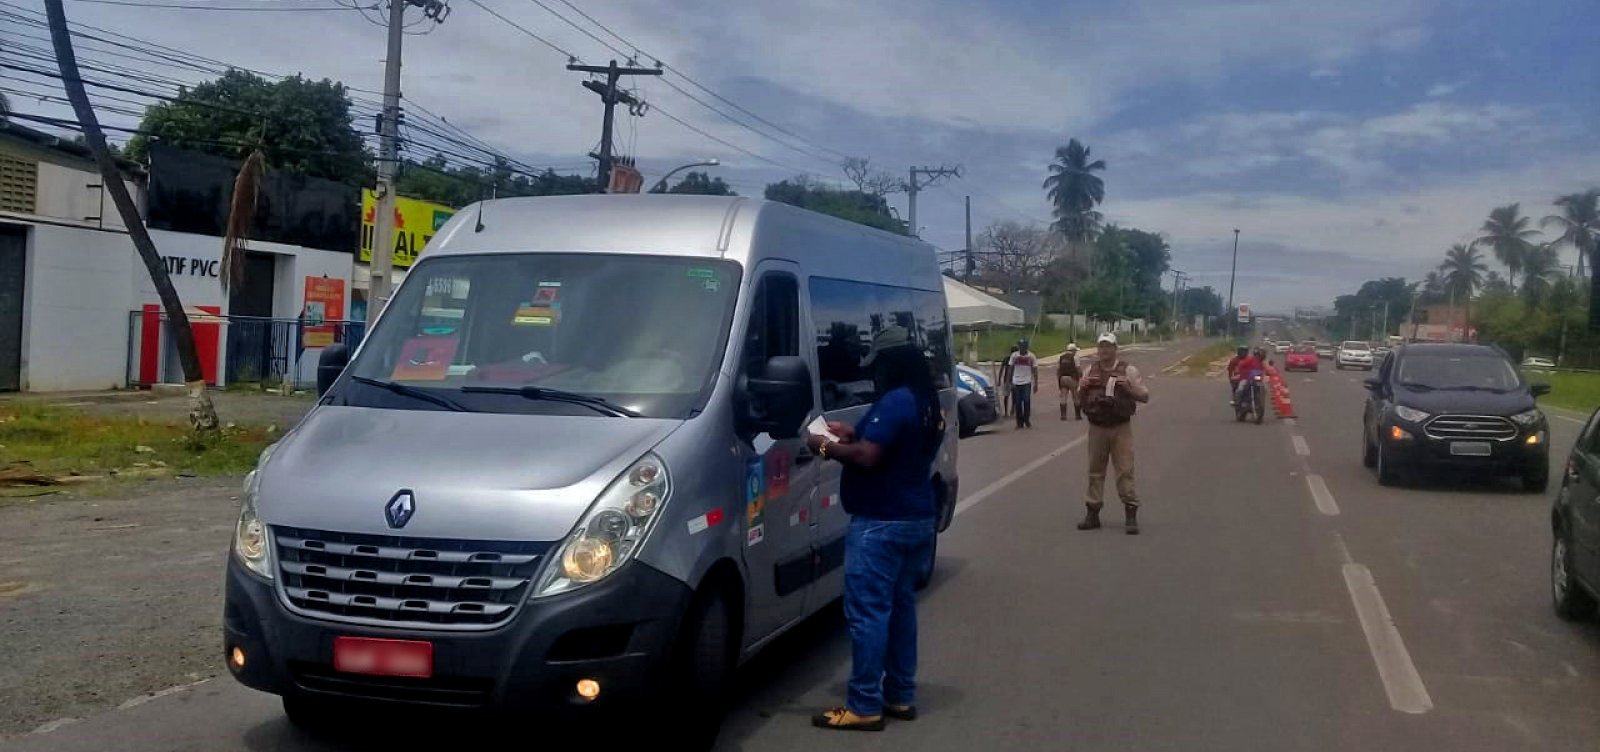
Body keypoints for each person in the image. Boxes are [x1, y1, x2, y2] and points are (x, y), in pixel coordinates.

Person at [807, 325, 944, 732]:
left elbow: (868, 457)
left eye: (879, 365)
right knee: (900, 609)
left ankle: (864, 704)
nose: (875, 374)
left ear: (892, 363)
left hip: (882, 522)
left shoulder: (897, 399)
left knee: (868, 614)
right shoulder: (925, 400)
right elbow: (890, 442)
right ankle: (900, 695)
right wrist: (856, 431)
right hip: (917, 518)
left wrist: (825, 447)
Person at [1076, 332, 1152, 534]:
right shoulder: (1090, 370)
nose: (1104, 351)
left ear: (1115, 349)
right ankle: (1092, 513)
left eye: (1108, 346)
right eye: (1101, 346)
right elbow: (1080, 396)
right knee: (1095, 471)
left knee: (1125, 470)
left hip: (1120, 427)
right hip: (1097, 426)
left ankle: (1130, 513)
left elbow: (1144, 396)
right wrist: (1082, 389)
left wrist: (1127, 388)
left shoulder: (1128, 371)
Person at [1007, 339, 1037, 428]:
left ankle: (1026, 419)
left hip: (1027, 382)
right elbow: (1010, 368)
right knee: (1018, 403)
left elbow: (1035, 370)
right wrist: (1009, 381)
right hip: (1016, 382)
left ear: (1026, 346)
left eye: (1023, 346)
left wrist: (1036, 383)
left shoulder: (1031, 356)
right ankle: (1019, 422)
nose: (1022, 348)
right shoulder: (1014, 356)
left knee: (1027, 401)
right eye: (1020, 346)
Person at [1059, 343, 1083, 420]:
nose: (1076, 352)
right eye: (1075, 350)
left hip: (1062, 378)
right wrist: (1081, 376)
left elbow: (1058, 369)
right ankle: (1078, 415)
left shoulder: (1062, 357)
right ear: (1073, 350)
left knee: (1063, 396)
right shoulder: (1075, 357)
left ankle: (1063, 415)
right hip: (1072, 378)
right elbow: (1078, 368)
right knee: (1075, 396)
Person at [998, 344, 1018, 418]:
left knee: (1012, 396)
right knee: (1008, 396)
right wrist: (999, 380)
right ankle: (1007, 411)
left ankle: (1011, 410)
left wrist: (999, 380)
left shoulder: (1016, 359)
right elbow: (1001, 369)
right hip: (1008, 380)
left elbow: (1001, 370)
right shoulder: (1007, 359)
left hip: (1014, 380)